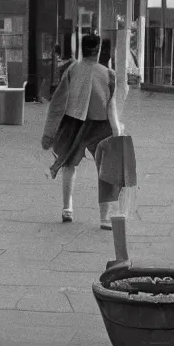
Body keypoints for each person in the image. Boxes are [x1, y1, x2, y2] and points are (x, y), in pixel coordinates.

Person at [41, 34, 123, 229]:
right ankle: (104, 218)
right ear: (99, 49)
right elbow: (111, 107)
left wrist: (49, 131)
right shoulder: (108, 73)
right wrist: (117, 131)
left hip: (73, 122)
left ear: (82, 48)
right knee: (104, 170)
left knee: (69, 165)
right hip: (100, 124)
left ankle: (67, 208)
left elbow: (58, 102)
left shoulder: (72, 69)